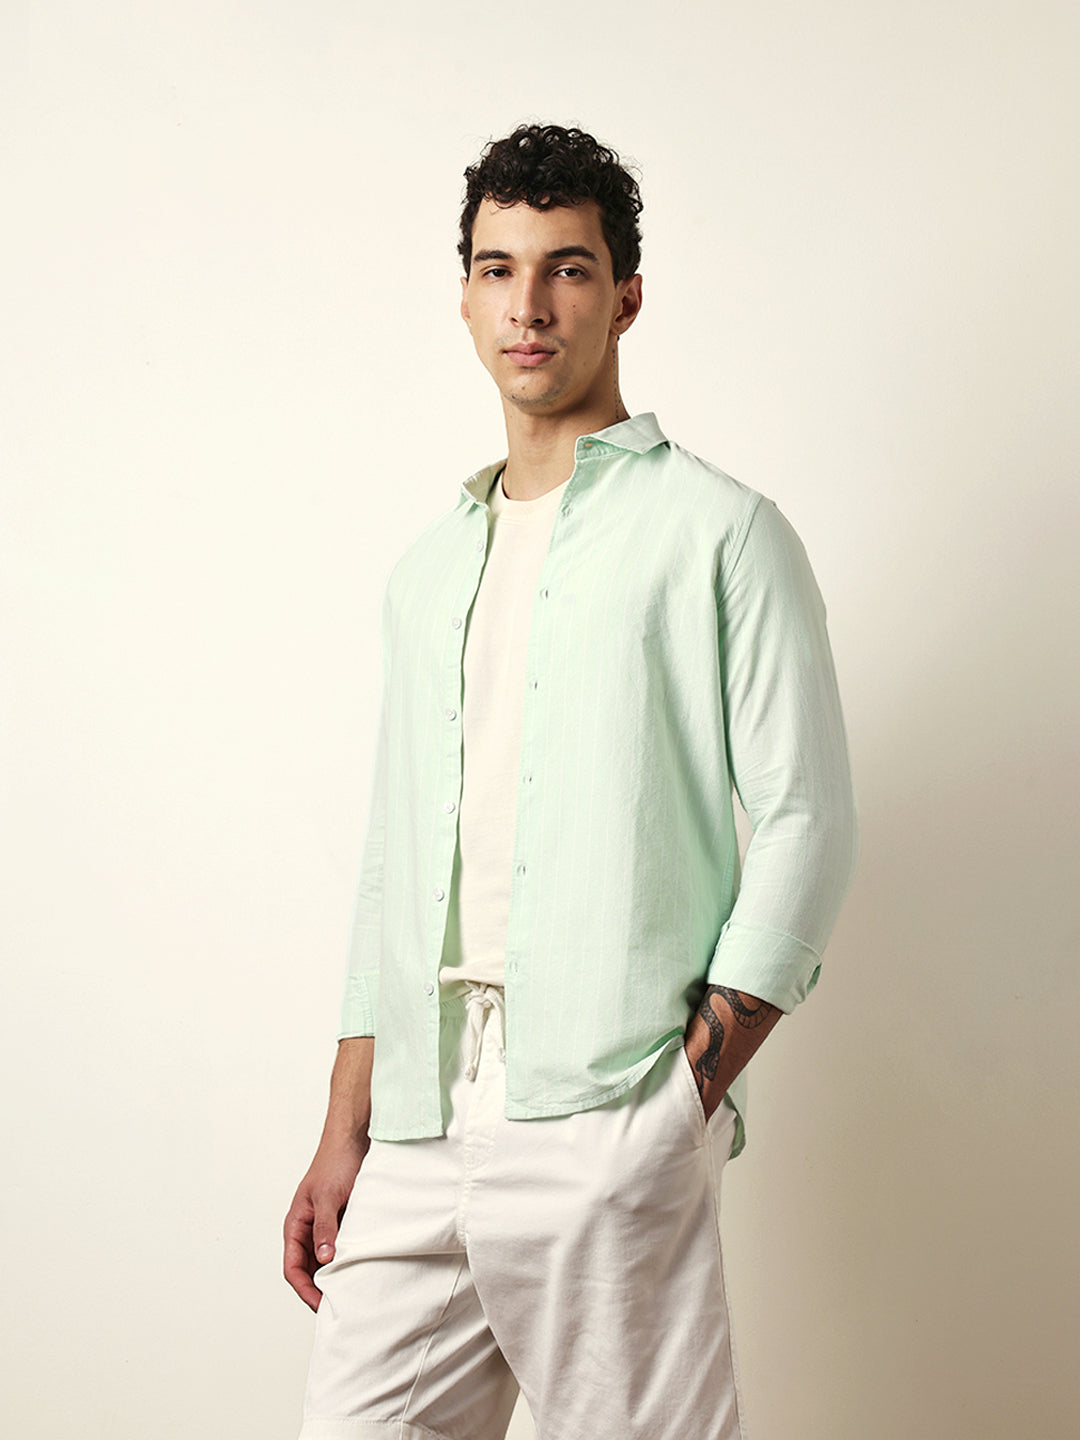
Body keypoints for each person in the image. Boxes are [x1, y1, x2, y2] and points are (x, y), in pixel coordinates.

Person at [284, 122, 858, 1440]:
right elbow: (394, 863)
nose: (528, 306)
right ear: (466, 297)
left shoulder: (723, 533)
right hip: (419, 1114)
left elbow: (808, 819)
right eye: (498, 269)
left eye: (568, 269)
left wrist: (685, 1094)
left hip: (610, 1098)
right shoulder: (427, 570)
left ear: (626, 296)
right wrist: (345, 1125)